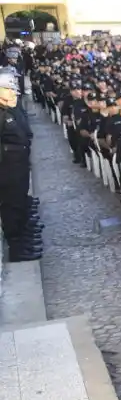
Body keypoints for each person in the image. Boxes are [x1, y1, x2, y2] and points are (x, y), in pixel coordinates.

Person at [0, 70, 40, 262]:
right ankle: (16, 248)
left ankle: (24, 239)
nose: (13, 93)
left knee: (20, 201)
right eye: (8, 89)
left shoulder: (10, 109)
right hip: (7, 169)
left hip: (18, 164)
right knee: (12, 206)